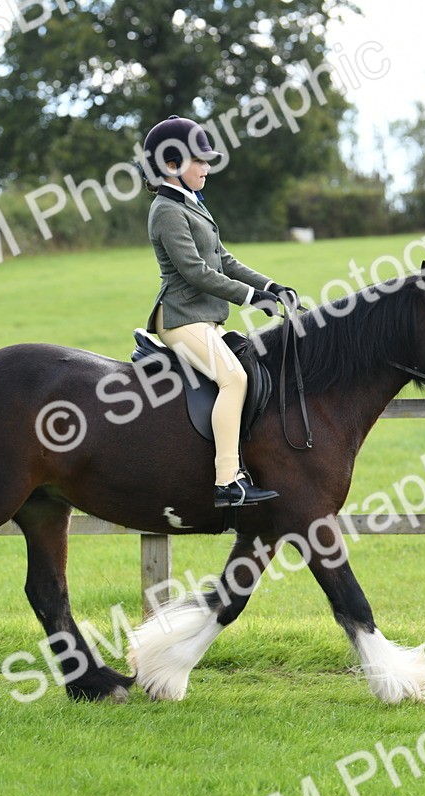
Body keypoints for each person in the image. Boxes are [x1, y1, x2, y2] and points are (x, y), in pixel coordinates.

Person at [141, 115, 295, 508]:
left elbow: (223, 259)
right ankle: (228, 481)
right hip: (181, 318)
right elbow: (196, 272)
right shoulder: (166, 210)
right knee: (234, 380)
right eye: (200, 161)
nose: (207, 169)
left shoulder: (192, 205)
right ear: (172, 164)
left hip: (204, 318)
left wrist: (270, 286)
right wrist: (249, 298)